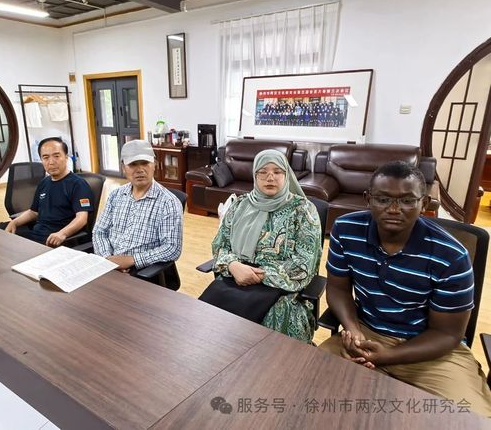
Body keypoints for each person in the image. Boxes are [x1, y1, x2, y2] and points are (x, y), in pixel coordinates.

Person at [320, 160, 491, 416]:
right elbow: (338, 290)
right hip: (366, 335)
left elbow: (447, 334)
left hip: (430, 351)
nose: (393, 209)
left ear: (425, 204)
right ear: (368, 199)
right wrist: (353, 329)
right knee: (307, 386)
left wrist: (385, 357)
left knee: (470, 418)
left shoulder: (451, 255)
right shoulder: (346, 230)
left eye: (408, 201)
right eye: (383, 199)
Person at [210, 149, 322, 343]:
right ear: (255, 176)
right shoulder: (240, 205)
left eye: (277, 172)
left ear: (286, 175)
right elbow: (220, 246)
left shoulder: (303, 211)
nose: (270, 177)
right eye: (263, 172)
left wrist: (258, 275)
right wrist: (232, 265)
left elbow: (304, 264)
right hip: (235, 280)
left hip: (281, 291)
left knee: (273, 334)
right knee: (208, 328)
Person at [92, 139, 182, 286]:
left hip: (140, 273)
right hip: (108, 266)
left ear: (155, 164)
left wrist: (132, 260)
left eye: (145, 163)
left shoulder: (168, 202)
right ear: (123, 167)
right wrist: (108, 259)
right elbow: (99, 231)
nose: (140, 170)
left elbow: (172, 248)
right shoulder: (116, 195)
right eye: (133, 164)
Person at [2, 137, 93, 247]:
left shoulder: (78, 184)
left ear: (66, 158)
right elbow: (33, 212)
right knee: (0, 239)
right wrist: (14, 222)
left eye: (56, 156)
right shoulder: (44, 182)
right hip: (36, 234)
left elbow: (81, 218)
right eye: (46, 157)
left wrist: (62, 234)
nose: (51, 162)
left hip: (55, 240)